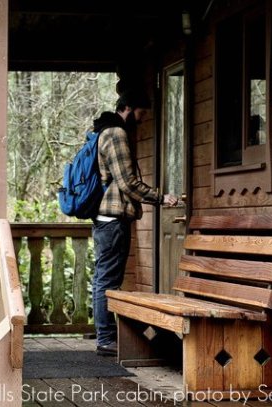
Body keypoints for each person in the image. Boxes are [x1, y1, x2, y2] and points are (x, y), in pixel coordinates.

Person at [91, 90, 178, 356]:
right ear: (127, 108)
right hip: (113, 219)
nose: (141, 120)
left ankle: (105, 335)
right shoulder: (116, 134)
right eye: (140, 113)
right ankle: (106, 338)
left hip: (107, 218)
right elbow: (127, 182)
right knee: (107, 279)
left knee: (104, 277)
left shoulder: (105, 131)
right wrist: (161, 198)